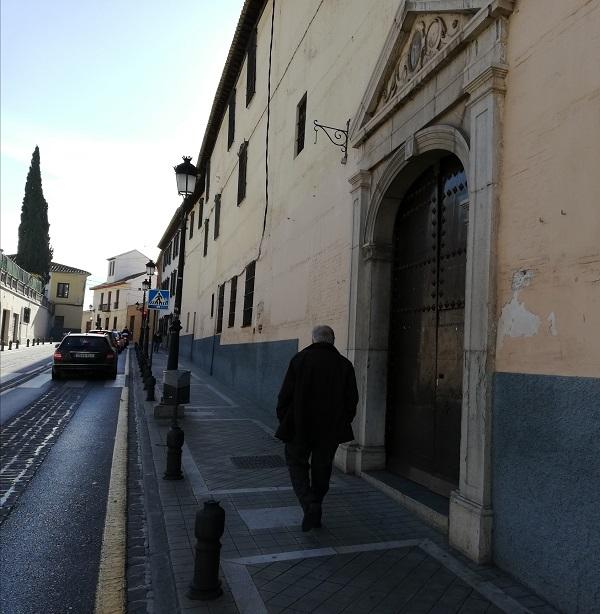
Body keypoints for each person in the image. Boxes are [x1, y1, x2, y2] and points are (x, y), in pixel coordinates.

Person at [276, 325, 358, 531]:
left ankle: (309, 503)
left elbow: (284, 396)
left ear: (313, 340)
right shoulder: (344, 365)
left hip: (299, 426)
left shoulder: (299, 360)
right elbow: (352, 401)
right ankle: (317, 503)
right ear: (333, 340)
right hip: (330, 429)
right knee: (323, 468)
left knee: (296, 465)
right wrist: (342, 421)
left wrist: (285, 419)